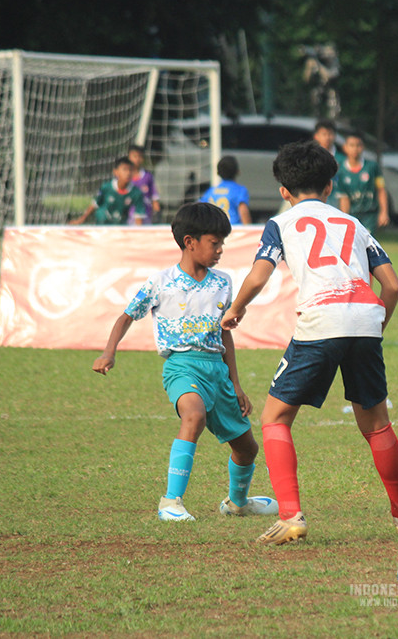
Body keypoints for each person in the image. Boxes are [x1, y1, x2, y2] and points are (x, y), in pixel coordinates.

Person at [221, 140, 398, 546]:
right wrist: (376, 325)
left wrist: (235, 309)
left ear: (284, 192)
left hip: (322, 321)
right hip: (365, 320)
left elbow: (259, 275)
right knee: (377, 423)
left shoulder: (282, 223)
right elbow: (392, 285)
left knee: (275, 418)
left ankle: (291, 516)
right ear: (330, 186)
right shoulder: (353, 223)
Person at [92, 202, 277, 522]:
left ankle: (237, 503)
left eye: (222, 243)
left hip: (216, 371)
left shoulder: (222, 282)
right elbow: (126, 317)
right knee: (194, 416)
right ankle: (170, 501)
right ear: (190, 242)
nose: (220, 250)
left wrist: (235, 383)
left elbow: (225, 333)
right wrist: (109, 352)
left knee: (247, 449)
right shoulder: (161, 282)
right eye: (214, 242)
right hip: (181, 366)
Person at [334, 131, 389, 232]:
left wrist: (384, 212)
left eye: (358, 145)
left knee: (366, 243)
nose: (355, 148)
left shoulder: (372, 167)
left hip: (369, 214)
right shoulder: (341, 170)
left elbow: (381, 189)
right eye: (352, 145)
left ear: (363, 147)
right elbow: (344, 198)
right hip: (353, 214)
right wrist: (345, 218)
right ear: (345, 147)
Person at [70, 157, 147, 225]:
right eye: (125, 169)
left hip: (120, 226)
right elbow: (95, 204)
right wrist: (81, 219)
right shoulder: (106, 187)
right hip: (102, 225)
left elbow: (139, 215)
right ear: (116, 172)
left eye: (130, 170)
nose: (128, 173)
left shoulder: (136, 192)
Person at [201, 156, 252, 225]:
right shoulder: (240, 190)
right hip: (233, 231)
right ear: (237, 171)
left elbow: (201, 211)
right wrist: (248, 228)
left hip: (215, 231)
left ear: (218, 172)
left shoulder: (210, 191)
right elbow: (243, 211)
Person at [128, 144, 160, 224]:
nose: (137, 159)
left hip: (146, 215)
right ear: (129, 157)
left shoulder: (147, 176)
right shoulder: (124, 177)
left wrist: (157, 212)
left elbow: (154, 196)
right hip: (128, 217)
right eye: (135, 156)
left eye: (140, 156)